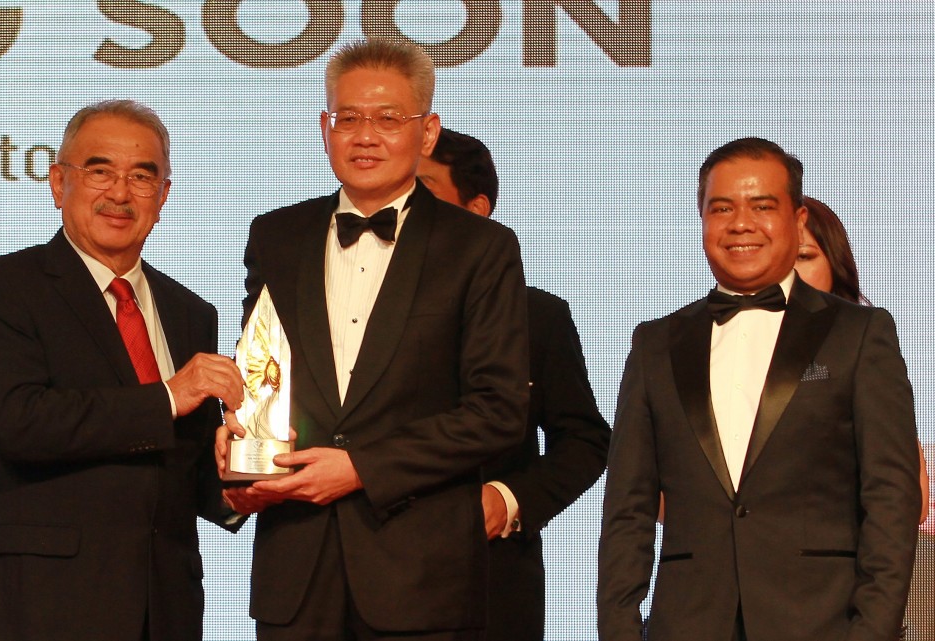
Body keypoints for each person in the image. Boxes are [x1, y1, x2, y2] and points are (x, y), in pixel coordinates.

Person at [218, 40, 529, 640]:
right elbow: (262, 374)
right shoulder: (276, 235)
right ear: (324, 127)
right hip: (296, 571)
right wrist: (236, 439)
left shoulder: (480, 248)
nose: (366, 136)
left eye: (390, 119)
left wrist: (362, 467)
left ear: (428, 132)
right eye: (348, 118)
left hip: (419, 580)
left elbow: (499, 411)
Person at [597, 137, 921, 641]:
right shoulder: (655, 344)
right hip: (687, 625)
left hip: (822, 623)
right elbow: (628, 508)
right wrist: (619, 630)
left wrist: (872, 631)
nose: (740, 223)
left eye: (762, 206)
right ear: (701, 220)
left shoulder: (859, 333)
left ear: (797, 219)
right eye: (720, 207)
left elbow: (890, 499)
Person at [0, 100, 245, 641]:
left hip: (164, 608)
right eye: (100, 170)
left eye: (142, 176)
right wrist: (167, 396)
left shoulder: (191, 313)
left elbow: (184, 466)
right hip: (39, 604)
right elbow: (20, 422)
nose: (120, 192)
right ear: (58, 183)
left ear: (164, 196)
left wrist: (241, 487)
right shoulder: (1, 288)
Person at [417, 127, 610, 641]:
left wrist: (508, 499)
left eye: (424, 192)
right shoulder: (350, 302)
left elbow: (586, 441)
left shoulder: (536, 316)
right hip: (362, 573)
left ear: (477, 209)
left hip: (491, 584)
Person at [796, 195, 932, 640]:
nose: (790, 272)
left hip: (841, 610)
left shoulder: (864, 348)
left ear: (835, 265)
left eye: (805, 256)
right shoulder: (710, 349)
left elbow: (907, 496)